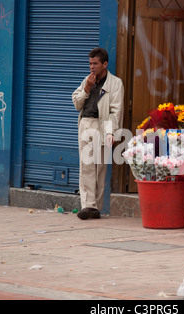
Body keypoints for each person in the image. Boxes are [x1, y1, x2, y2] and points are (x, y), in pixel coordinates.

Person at [72, 48, 124, 220]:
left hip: (103, 126)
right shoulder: (87, 80)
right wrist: (86, 89)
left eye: (95, 63)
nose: (92, 67)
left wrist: (111, 133)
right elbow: (77, 104)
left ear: (105, 64)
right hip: (86, 124)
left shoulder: (115, 84)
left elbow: (115, 111)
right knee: (86, 166)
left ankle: (96, 207)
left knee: (100, 167)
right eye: (90, 63)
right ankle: (88, 205)